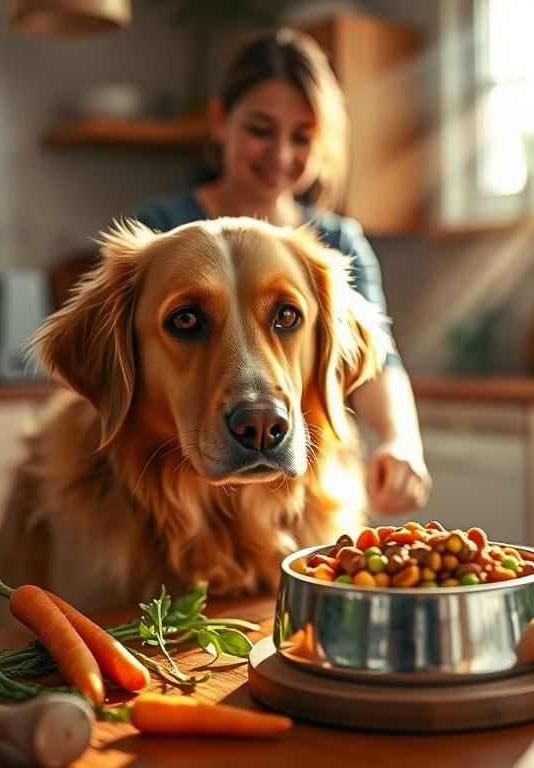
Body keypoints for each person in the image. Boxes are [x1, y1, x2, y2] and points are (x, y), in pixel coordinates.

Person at [134, 28, 431, 516]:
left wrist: (401, 440)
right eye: (260, 129)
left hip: (304, 497)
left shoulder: (338, 243)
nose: (280, 154)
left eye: (302, 137)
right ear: (219, 122)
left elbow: (377, 360)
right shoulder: (162, 233)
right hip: (176, 502)